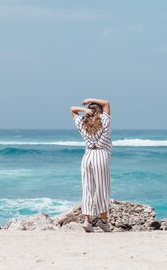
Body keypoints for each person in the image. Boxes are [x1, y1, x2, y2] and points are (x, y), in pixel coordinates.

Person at [70, 98, 112, 233]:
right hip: (100, 155)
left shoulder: (83, 122)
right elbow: (106, 103)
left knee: (87, 188)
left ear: (89, 112)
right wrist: (90, 99)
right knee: (102, 188)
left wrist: (83, 109)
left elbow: (72, 109)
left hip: (87, 157)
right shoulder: (105, 121)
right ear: (100, 111)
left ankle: (87, 221)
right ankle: (103, 221)